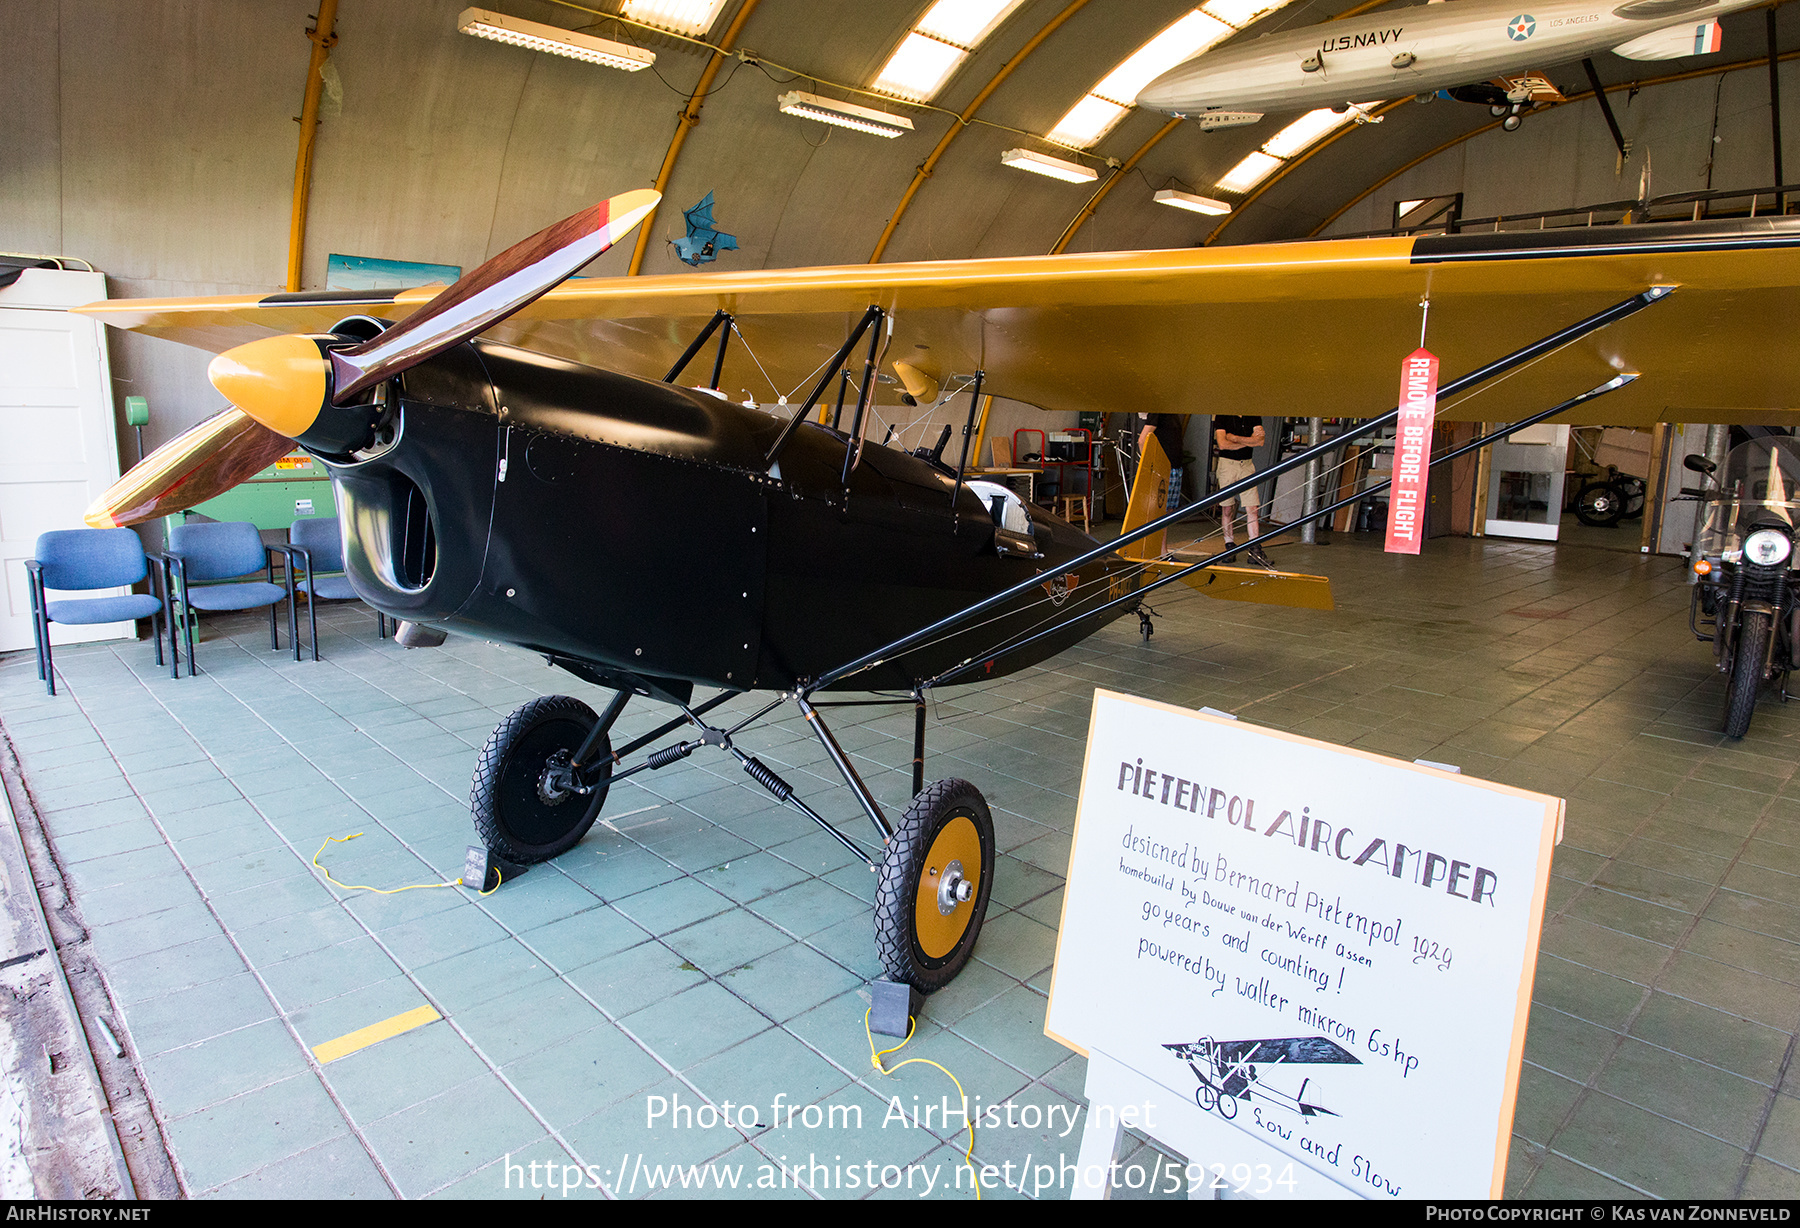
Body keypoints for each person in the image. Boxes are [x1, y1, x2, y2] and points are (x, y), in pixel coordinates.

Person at [1214, 415, 1272, 568]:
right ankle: (1229, 545)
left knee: (1252, 507)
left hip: (1246, 465)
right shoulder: (1222, 415)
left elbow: (1260, 441)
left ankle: (1255, 548)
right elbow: (1222, 444)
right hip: (1227, 465)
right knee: (1227, 508)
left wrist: (1235, 438)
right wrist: (1247, 441)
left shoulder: (1253, 415)